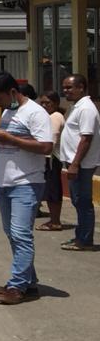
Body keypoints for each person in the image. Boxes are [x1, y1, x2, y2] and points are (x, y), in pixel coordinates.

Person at [0, 71, 54, 305]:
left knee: (21, 235)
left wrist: (10, 139)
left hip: (27, 183)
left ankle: (17, 286)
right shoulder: (8, 111)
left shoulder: (35, 113)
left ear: (12, 92)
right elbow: (11, 139)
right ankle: (29, 282)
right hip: (6, 183)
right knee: (12, 234)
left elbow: (45, 147)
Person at [59, 73, 99, 252]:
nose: (65, 91)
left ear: (81, 87)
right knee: (77, 201)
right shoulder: (76, 107)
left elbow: (86, 138)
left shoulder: (86, 109)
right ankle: (80, 235)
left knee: (83, 202)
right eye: (64, 87)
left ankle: (85, 240)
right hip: (74, 163)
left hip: (81, 164)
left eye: (69, 87)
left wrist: (75, 164)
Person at [36, 91, 65, 232]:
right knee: (49, 189)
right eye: (42, 102)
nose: (44, 105)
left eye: (48, 102)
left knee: (53, 189)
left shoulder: (55, 116)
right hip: (48, 158)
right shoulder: (48, 116)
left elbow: (52, 138)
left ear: (56, 103)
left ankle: (55, 221)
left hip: (52, 158)